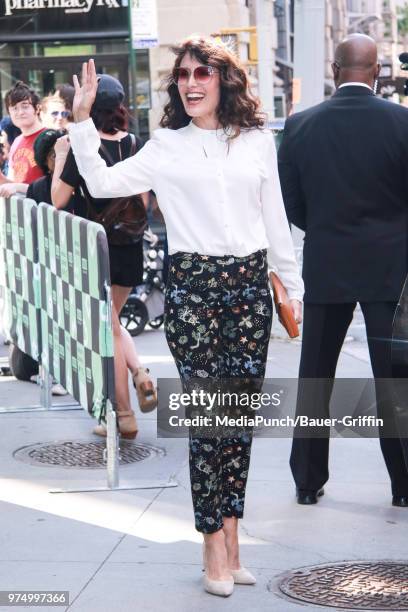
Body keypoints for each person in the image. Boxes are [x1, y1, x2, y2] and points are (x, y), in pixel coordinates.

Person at [67, 36, 304, 597]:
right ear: (177, 85)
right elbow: (101, 184)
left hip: (248, 286)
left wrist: (292, 290)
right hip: (193, 287)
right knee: (208, 419)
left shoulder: (256, 143)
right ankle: (210, 543)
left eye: (204, 73)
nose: (192, 83)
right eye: (184, 75)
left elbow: (275, 218)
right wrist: (80, 123)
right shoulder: (165, 147)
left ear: (224, 80)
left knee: (238, 418)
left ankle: (233, 532)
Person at [278, 33, 408, 508]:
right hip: (390, 269)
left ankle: (308, 482)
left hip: (328, 260)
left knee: (315, 375)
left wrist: (327, 228)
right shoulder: (403, 123)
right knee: (394, 378)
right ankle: (403, 484)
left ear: (335, 70)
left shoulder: (300, 126)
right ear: (377, 71)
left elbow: (290, 202)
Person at [51, 74, 156, 440]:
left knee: (108, 329)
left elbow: (59, 200)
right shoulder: (135, 143)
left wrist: (63, 155)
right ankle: (140, 374)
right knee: (113, 322)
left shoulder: (82, 148)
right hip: (129, 248)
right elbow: (144, 201)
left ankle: (124, 414)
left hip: (95, 249)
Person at [0, 81, 45, 197]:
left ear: (37, 109)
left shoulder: (49, 137)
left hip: (46, 212)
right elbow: (13, 184)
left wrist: (16, 187)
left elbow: (53, 188)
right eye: (14, 108)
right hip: (23, 211)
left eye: (25, 106)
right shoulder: (16, 141)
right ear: (9, 113)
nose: (20, 112)